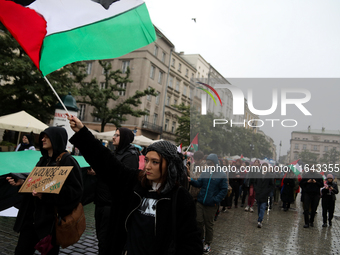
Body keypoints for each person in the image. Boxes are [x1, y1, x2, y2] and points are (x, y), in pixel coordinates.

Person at [67, 115, 202, 255]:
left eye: (155, 162)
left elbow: (191, 242)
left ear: (170, 166)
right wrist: (82, 131)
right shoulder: (133, 182)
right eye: (147, 160)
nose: (148, 166)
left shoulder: (180, 198)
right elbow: (106, 161)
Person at [6, 127, 83, 255]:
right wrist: (22, 183)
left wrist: (46, 196)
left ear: (56, 138)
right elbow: (36, 183)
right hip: (32, 220)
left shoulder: (68, 161)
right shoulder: (43, 160)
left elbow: (75, 192)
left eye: (46, 137)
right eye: (43, 136)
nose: (42, 139)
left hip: (50, 224)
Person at [91, 127, 139, 254]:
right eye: (114, 134)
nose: (113, 137)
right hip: (101, 202)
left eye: (116, 135)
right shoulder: (116, 152)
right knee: (101, 239)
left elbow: (122, 180)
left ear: (124, 138)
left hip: (111, 206)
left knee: (106, 241)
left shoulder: (131, 156)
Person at [189, 154, 228, 253]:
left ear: (215, 163)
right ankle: (201, 238)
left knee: (209, 224)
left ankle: (208, 243)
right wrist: (192, 181)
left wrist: (215, 199)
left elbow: (224, 189)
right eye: (207, 163)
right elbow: (199, 184)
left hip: (211, 205)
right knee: (198, 221)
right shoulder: (205, 172)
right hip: (201, 201)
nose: (208, 165)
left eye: (210, 163)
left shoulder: (222, 174)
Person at [254, 163, 274, 228]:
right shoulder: (258, 174)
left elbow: (271, 185)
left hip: (265, 194)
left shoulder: (269, 175)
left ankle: (260, 220)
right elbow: (255, 183)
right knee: (259, 207)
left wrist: (267, 191)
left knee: (263, 207)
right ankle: (259, 217)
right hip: (259, 193)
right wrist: (256, 189)